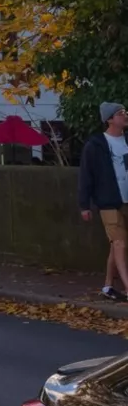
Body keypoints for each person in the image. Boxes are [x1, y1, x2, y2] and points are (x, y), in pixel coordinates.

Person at [79, 101, 128, 302]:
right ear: (109, 119)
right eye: (120, 113)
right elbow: (86, 175)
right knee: (119, 244)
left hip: (126, 200)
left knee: (116, 246)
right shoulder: (96, 144)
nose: (125, 115)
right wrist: (84, 205)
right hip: (108, 201)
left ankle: (108, 286)